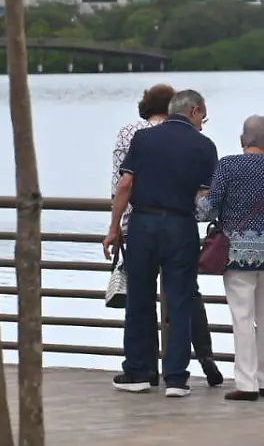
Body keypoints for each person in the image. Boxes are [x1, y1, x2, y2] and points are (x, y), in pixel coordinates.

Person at [104, 90, 218, 398]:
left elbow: (125, 184)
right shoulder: (204, 147)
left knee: (139, 297)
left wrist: (114, 228)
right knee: (179, 299)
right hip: (181, 226)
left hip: (143, 223)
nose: (202, 125)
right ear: (193, 111)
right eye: (202, 118)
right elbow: (205, 197)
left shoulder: (143, 139)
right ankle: (177, 379)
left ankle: (139, 371)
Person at [198, 115, 264, 402]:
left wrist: (196, 199)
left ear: (243, 139)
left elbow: (209, 210)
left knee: (242, 317)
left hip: (237, 253)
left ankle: (247, 384)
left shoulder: (228, 166)